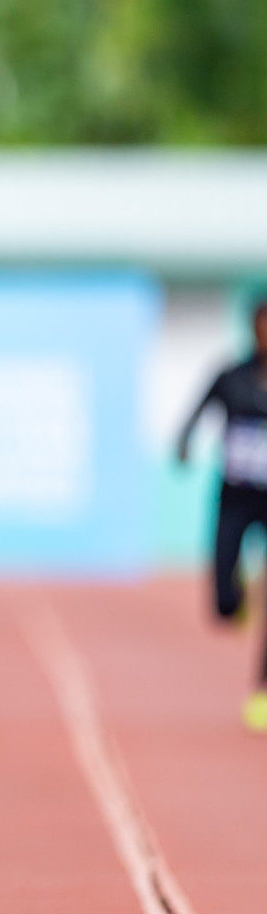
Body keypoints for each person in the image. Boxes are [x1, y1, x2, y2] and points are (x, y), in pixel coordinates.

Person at [177, 297, 267, 732]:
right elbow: (198, 410)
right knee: (223, 603)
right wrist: (184, 441)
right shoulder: (231, 376)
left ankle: (263, 691)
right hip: (235, 496)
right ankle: (237, 598)